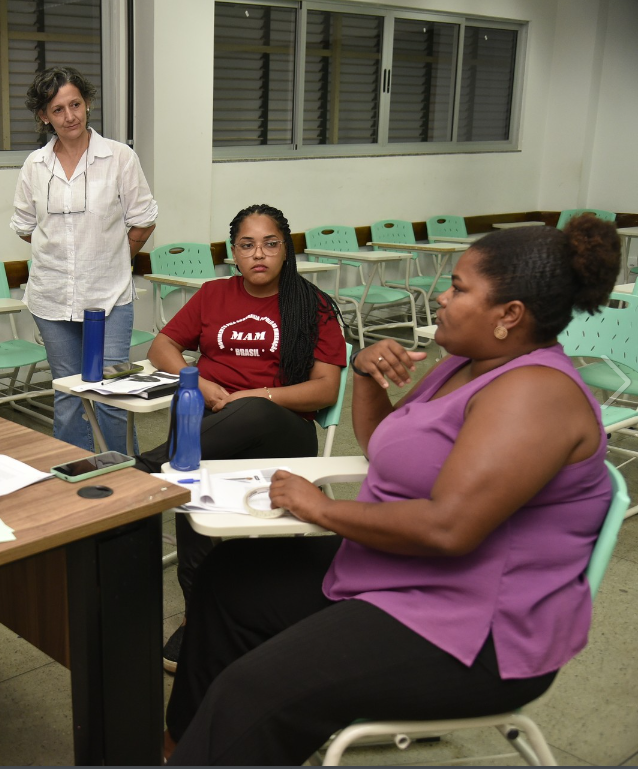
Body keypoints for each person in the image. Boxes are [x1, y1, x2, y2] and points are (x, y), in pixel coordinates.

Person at [164, 215, 621, 765]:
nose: (442, 301)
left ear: (509, 316)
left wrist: (324, 509)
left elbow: (448, 528)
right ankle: (182, 748)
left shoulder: (536, 393)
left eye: (457, 289)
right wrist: (363, 374)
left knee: (256, 690)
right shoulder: (464, 365)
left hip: (475, 627)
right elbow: (387, 445)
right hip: (406, 573)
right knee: (229, 578)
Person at [133, 204, 347, 673]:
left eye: (270, 244)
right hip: (212, 432)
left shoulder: (311, 305)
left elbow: (326, 388)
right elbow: (160, 347)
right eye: (247, 245)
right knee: (194, 482)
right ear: (234, 253)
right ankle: (198, 613)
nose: (259, 255)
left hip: (283, 432)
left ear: (286, 249)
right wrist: (198, 381)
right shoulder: (213, 295)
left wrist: (260, 394)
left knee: (246, 412)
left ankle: (144, 469)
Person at [10, 66, 158, 454]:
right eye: (57, 110)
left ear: (88, 103)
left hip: (109, 296)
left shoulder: (119, 158)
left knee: (112, 392)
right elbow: (27, 226)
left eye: (75, 104)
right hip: (52, 296)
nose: (69, 116)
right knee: (69, 393)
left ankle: (129, 483)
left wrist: (110, 258)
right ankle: (73, 478)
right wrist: (63, 252)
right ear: (44, 116)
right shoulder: (34, 166)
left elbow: (143, 221)